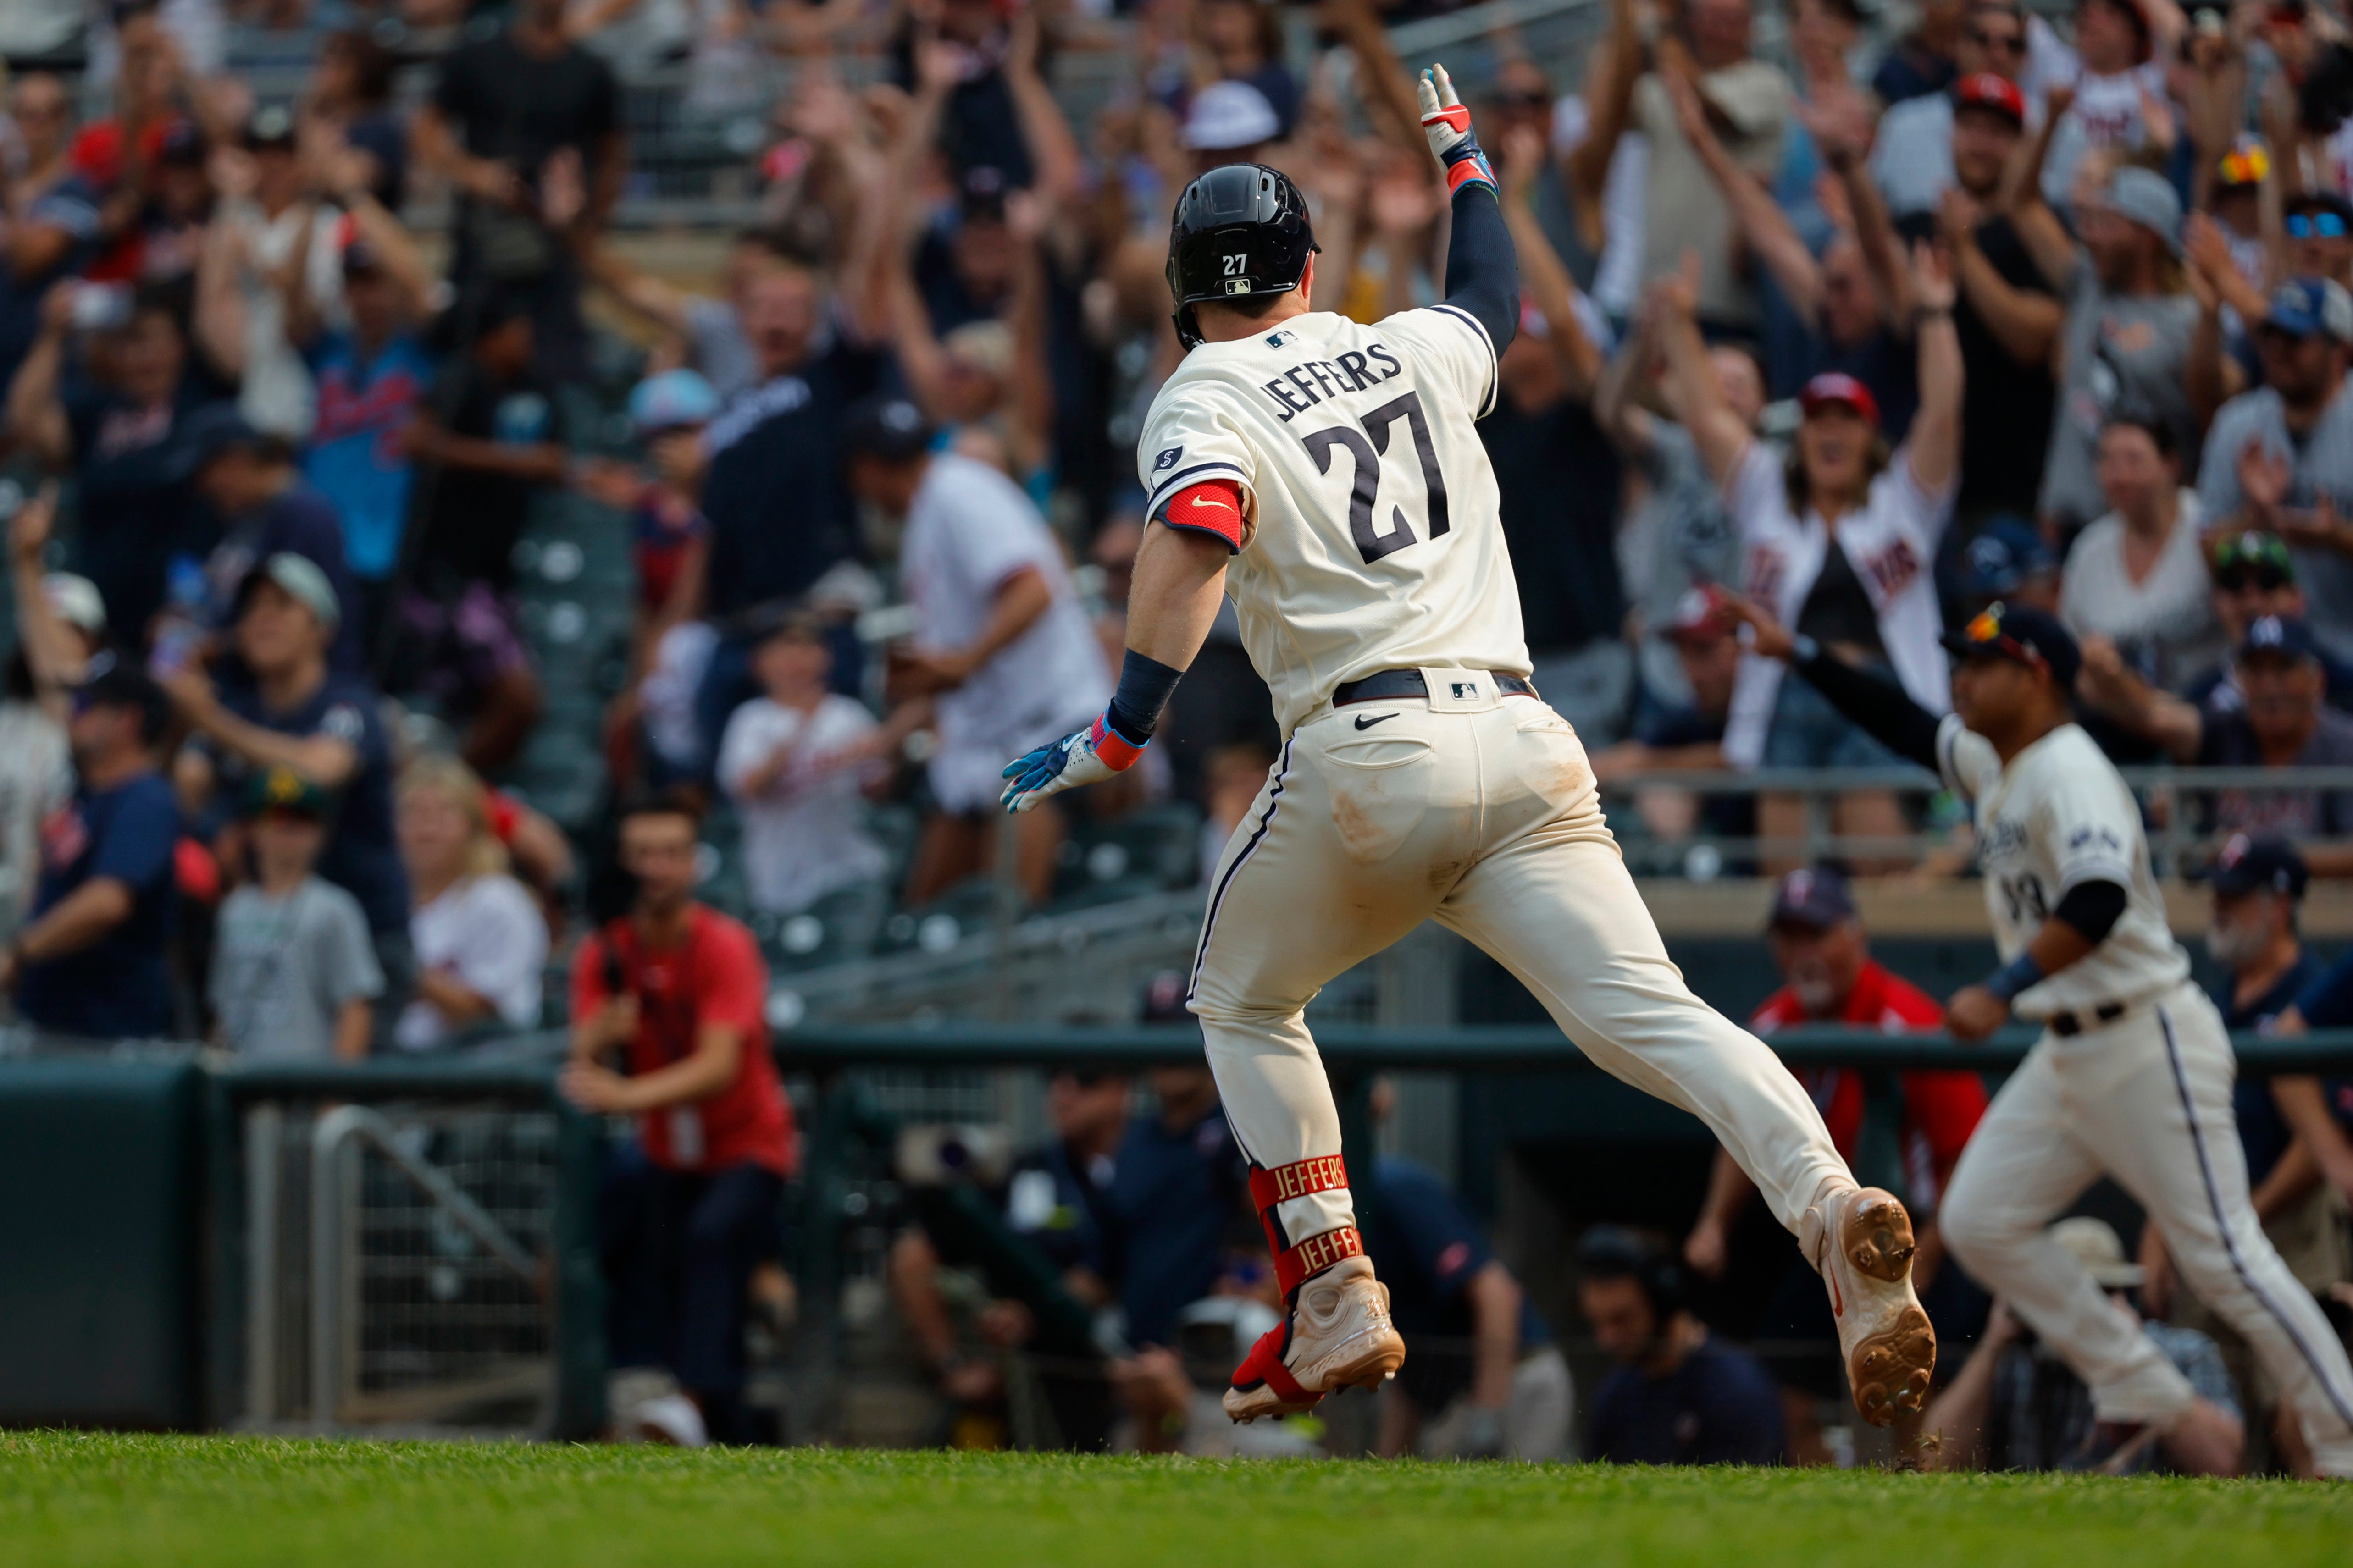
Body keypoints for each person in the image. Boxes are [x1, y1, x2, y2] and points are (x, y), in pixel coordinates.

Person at [1001, 79, 1935, 1435]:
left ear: (1181, 292)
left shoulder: (1200, 388)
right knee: (1659, 1018)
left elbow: (1199, 520)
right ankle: (1832, 1207)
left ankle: (1331, 1287)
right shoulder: (1400, 348)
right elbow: (1495, 302)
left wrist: (1124, 722)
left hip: (1369, 751)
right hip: (1522, 738)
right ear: (1310, 270)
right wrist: (1465, 165)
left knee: (1241, 999)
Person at [1731, 594, 2353, 1474]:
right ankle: (2139, 1385)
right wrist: (1798, 651)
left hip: (2145, 1034)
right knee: (1983, 1223)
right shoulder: (2001, 763)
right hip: (2070, 1051)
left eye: (1985, 663)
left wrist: (2000, 986)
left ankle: (2344, 1438)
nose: (1964, 677)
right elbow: (1908, 725)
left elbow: (2095, 900)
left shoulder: (2069, 767)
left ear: (2037, 675)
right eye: (1963, 661)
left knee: (2225, 1263)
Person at [1656, 238, 1964, 871]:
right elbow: (1709, 419)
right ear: (1801, 436)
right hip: (1787, 693)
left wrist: (1933, 314)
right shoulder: (1767, 494)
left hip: (1876, 692)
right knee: (1783, 875)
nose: (1830, 430)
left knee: (1878, 866)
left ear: (1867, 436)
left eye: (1845, 419)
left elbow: (1942, 413)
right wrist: (1680, 324)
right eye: (1818, 419)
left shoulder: (1903, 499)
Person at [1684, 867, 1990, 1463]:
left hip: (1923, 1231)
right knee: (1782, 1380)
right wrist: (1712, 1224)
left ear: (1854, 936)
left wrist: (1918, 1265)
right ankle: (1831, 1513)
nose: (1802, 954)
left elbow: (1965, 1159)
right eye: (1788, 938)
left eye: (1815, 936)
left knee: (1916, 1395)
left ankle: (1923, 1522)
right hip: (1832, 1233)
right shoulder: (1773, 1026)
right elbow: (1741, 1132)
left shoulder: (1905, 1021)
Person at [565, 792, 797, 1447]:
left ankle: (689, 1398)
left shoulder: (725, 944)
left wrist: (623, 1097)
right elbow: (578, 1058)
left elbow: (720, 1065)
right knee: (639, 1250)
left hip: (746, 1143)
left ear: (695, 863)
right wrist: (597, 1038)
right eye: (642, 854)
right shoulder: (606, 952)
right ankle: (681, 1402)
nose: (655, 868)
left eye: (669, 853)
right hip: (667, 1150)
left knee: (710, 1238)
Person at [851, 396, 1108, 907]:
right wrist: (893, 733)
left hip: (1041, 722)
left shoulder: (954, 491)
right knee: (929, 909)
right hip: (990, 737)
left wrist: (966, 659)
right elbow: (955, 653)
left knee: (1001, 920)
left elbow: (1033, 589)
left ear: (865, 471)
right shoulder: (933, 502)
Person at [2146, 835, 2350, 1473]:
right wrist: (2160, 1225)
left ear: (2278, 904)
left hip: (2285, 1226)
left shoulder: (2313, 989)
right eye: (2216, 894)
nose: (2219, 908)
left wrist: (2247, 1213)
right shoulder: (2204, 999)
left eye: (2234, 896)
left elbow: (2314, 1140)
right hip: (2207, 1219)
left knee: (2294, 1411)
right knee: (2203, 1403)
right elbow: (2168, 1119)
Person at [166, 553, 412, 1028]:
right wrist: (181, 714)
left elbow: (319, 770)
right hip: (267, 934)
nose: (263, 619)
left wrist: (211, 720)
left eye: (282, 606)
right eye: (252, 608)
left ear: (321, 629)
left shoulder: (348, 703)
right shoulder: (240, 708)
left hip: (363, 935)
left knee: (346, 1097)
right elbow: (185, 789)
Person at [888, 1065, 1129, 1451]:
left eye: (1085, 1080)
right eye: (1054, 1080)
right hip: (1014, 1374)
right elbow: (913, 1257)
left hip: (1117, 1372)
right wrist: (953, 1365)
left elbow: (1112, 1273)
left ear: (1121, 1090)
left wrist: (1030, 1314)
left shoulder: (1150, 1168)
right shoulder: (1024, 1169)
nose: (1064, 1093)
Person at [6, 281, 232, 646]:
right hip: (103, 614)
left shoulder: (201, 414)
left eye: (149, 339)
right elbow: (27, 420)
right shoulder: (99, 413)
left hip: (177, 621)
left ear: (180, 345)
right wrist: (52, 335)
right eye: (128, 342)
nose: (139, 355)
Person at [1925, 1217, 2243, 1474]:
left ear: (2119, 1298)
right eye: (2060, 1302)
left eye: (2092, 1299)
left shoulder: (2182, 1355)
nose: (2075, 1321)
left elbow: (2224, 1464)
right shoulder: (2016, 1357)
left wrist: (2134, 1361)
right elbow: (1935, 1463)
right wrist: (1991, 1347)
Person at [413, 0, 624, 383]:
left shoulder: (591, 71)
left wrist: (589, 226)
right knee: (467, 366)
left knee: (559, 373)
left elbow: (614, 156)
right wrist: (476, 175)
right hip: (483, 245)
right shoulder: (476, 55)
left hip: (554, 247)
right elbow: (426, 131)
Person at [395, 289, 553, 775]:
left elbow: (556, 461)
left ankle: (448, 794)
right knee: (518, 697)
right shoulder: (460, 378)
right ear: (491, 336)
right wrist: (511, 461)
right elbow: (413, 440)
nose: (528, 339)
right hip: (446, 581)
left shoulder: (529, 386)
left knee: (508, 705)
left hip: (496, 578)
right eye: (517, 329)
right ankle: (444, 790)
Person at [2016, 156, 2203, 541]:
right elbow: (2021, 206)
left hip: (2142, 527)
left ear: (2148, 234)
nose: (2091, 235)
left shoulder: (2189, 319)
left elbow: (2211, 406)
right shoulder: (2088, 284)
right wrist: (2051, 117)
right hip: (2065, 519)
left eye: (2108, 224)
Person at [2080, 614, 2353, 867]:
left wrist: (2257, 853)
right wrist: (2111, 674)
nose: (2270, 687)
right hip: (2226, 905)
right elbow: (2154, 718)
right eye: (2256, 672)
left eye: (2283, 670)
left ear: (2317, 680)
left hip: (2323, 908)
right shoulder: (2225, 730)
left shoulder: (2343, 745)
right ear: (2241, 682)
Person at [1, 657, 177, 1039]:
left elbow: (106, 903)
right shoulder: (85, 796)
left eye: (84, 705)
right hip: (53, 1025)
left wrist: (19, 953)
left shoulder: (145, 798)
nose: (70, 715)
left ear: (127, 721)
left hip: (108, 1035)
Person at [1366, 1138, 1572, 1463]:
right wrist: (1385, 1462)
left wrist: (1487, 1418)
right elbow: (1411, 1363)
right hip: (1456, 1396)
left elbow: (1495, 1293)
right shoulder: (1334, 1232)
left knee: (1524, 1504)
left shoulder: (1391, 1188)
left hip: (1516, 1375)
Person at [2194, 278, 2353, 664]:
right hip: (2263, 658)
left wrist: (2337, 537)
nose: (2279, 352)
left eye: (2296, 340)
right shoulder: (2237, 424)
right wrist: (2257, 515)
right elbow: (2210, 550)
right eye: (2271, 338)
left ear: (2340, 351)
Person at [714, 613, 894, 942]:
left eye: (809, 647)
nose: (798, 659)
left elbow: (879, 791)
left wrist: (881, 751)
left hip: (848, 872)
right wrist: (797, 736)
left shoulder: (847, 715)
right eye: (786, 648)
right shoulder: (751, 721)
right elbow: (749, 787)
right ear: (760, 662)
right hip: (776, 881)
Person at [209, 765, 382, 1060]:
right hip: (242, 1081)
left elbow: (355, 1008)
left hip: (305, 1079)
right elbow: (224, 1009)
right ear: (253, 829)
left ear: (321, 833)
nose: (287, 829)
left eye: (302, 819)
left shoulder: (336, 908)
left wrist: (333, 1096)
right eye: (275, 817)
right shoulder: (234, 909)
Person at [1579, 1226, 1787, 1465]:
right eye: (1597, 1323)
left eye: (1622, 1319)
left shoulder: (1737, 1391)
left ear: (1664, 1302)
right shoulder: (1613, 1397)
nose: (1606, 1340)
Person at [179, 406, 362, 672]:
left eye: (204, 475)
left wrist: (216, 646)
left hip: (302, 697)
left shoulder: (302, 516)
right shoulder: (247, 515)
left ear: (235, 461)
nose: (202, 490)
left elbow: (291, 626)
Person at [392, 754, 548, 1052]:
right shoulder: (385, 903)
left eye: (444, 813)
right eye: (413, 812)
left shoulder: (497, 900)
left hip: (477, 1075)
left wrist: (402, 971)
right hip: (390, 1066)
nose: (427, 828)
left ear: (473, 828)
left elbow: (484, 1013)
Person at [2059, 415, 2222, 690]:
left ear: (2170, 465)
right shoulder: (2088, 550)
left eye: (2134, 460)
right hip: (2115, 712)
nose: (2120, 477)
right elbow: (2071, 645)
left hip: (2209, 706)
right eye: (2108, 461)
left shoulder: (2210, 528)